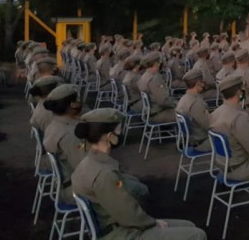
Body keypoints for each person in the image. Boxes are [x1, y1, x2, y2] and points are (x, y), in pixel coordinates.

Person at [72, 108, 207, 240]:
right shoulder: (104, 174)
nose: (121, 133)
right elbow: (128, 215)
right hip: (122, 233)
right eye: (119, 130)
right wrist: (152, 222)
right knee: (197, 235)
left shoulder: (88, 163)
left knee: (189, 226)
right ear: (110, 136)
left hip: (115, 226)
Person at [209, 75, 249, 180]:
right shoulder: (239, 118)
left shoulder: (215, 114)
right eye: (242, 89)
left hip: (223, 166)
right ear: (238, 92)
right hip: (241, 169)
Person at [42, 84, 86, 203]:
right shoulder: (71, 135)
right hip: (76, 190)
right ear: (73, 104)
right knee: (133, 189)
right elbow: (84, 168)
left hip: (68, 183)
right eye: (78, 99)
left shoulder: (54, 125)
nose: (81, 101)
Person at [175, 69, 212, 152]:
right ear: (198, 83)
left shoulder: (184, 99)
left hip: (192, 138)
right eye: (202, 81)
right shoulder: (196, 103)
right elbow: (208, 126)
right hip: (202, 141)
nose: (203, 84)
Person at [137, 52, 176, 123]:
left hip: (152, 112)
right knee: (186, 114)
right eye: (160, 62)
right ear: (156, 63)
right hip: (158, 113)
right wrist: (177, 103)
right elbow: (163, 101)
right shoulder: (154, 79)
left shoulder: (144, 76)